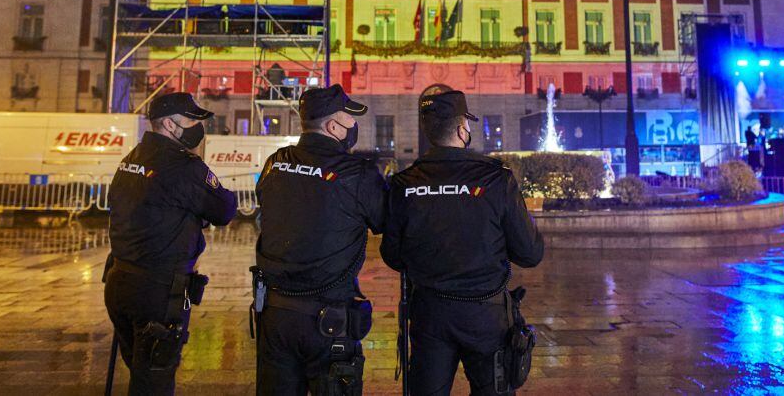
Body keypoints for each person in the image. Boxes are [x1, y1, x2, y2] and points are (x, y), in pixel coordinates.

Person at [381, 90, 545, 395]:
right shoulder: (496, 179)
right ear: (461, 129)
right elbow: (530, 253)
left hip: (430, 313)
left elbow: (392, 254)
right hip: (486, 315)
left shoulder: (405, 183)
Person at [252, 84, 387, 394]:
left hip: (276, 316)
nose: (354, 126)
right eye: (349, 118)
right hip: (328, 321)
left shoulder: (275, 162)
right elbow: (385, 223)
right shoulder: (357, 173)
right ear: (332, 126)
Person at [104, 92, 237, 395]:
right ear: (169, 124)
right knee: (154, 381)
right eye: (191, 120)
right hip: (158, 290)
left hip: (119, 282)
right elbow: (225, 209)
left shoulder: (132, 158)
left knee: (141, 372)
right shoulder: (183, 166)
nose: (196, 128)